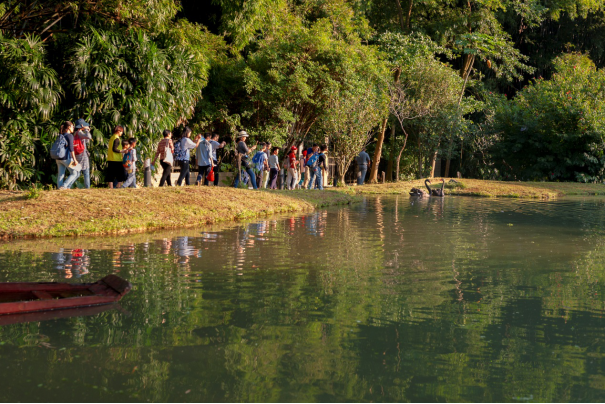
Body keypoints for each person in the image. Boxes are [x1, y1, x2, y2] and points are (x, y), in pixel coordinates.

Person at [55, 121, 80, 190]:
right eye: (72, 126)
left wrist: (71, 145)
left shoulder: (61, 135)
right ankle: (64, 186)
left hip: (58, 158)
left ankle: (59, 189)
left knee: (61, 174)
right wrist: (75, 160)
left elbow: (64, 146)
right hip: (66, 158)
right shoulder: (70, 135)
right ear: (69, 127)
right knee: (75, 173)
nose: (73, 128)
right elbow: (71, 149)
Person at [73, 119, 93, 189]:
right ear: (81, 126)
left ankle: (68, 185)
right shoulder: (79, 132)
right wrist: (86, 130)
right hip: (82, 155)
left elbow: (86, 140)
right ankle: (87, 188)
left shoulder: (75, 133)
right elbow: (89, 137)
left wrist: (86, 131)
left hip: (77, 154)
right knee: (86, 172)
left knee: (77, 173)